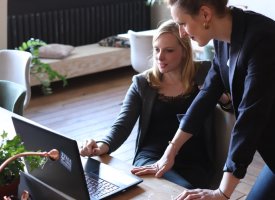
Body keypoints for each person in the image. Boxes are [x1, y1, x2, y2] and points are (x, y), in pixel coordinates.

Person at [136, 0, 275, 199]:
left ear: (205, 14)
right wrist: (171, 151)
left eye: (182, 23)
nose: (181, 32)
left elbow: (250, 118)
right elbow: (207, 94)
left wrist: (222, 193)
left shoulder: (263, 39)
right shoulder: (223, 38)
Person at [80, 19, 216, 189]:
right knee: (172, 190)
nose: (160, 57)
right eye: (157, 49)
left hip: (194, 161)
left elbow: (232, 107)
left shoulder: (205, 73)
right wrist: (101, 146)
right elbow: (122, 125)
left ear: (184, 51)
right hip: (151, 158)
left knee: (182, 190)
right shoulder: (142, 83)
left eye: (169, 50)